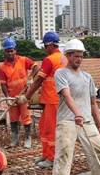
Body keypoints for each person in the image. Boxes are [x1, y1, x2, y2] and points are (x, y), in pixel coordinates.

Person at [52, 39, 100, 175]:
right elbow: (67, 96)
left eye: (81, 56)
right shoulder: (61, 74)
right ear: (68, 56)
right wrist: (77, 114)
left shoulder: (87, 77)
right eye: (76, 56)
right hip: (68, 120)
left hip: (87, 121)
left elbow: (93, 103)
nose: (79, 59)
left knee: (99, 149)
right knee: (64, 154)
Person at [21, 32, 67, 168]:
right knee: (44, 127)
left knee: (50, 129)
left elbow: (39, 80)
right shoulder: (64, 58)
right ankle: (46, 154)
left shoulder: (50, 60)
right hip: (57, 99)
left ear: (49, 45)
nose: (44, 49)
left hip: (53, 99)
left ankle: (51, 158)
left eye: (45, 46)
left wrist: (26, 96)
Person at [0, 37, 39, 148]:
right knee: (13, 119)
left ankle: (27, 139)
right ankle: (14, 140)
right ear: (5, 52)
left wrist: (30, 77)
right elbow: (3, 84)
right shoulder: (2, 67)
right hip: (12, 97)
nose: (10, 53)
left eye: (11, 50)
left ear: (15, 50)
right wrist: (7, 98)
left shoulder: (23, 60)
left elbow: (36, 67)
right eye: (7, 51)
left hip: (24, 95)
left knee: (26, 117)